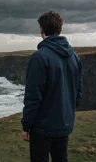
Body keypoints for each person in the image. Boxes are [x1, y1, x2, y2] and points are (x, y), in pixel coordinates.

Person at [21, 11, 83, 162]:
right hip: (64, 123)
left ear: (42, 29)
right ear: (60, 29)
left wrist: (26, 125)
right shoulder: (74, 57)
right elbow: (78, 91)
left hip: (42, 127)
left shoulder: (39, 57)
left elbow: (33, 96)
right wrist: (67, 112)